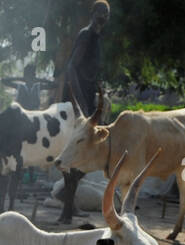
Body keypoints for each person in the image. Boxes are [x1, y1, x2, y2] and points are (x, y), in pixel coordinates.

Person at [58, 0, 111, 223]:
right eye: (100, 12)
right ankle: (67, 208)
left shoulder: (97, 38)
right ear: (93, 14)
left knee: (82, 157)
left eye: (106, 13)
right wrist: (80, 103)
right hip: (77, 105)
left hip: (86, 100)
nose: (103, 16)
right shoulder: (87, 35)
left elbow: (89, 72)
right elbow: (71, 67)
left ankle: (68, 203)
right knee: (74, 155)